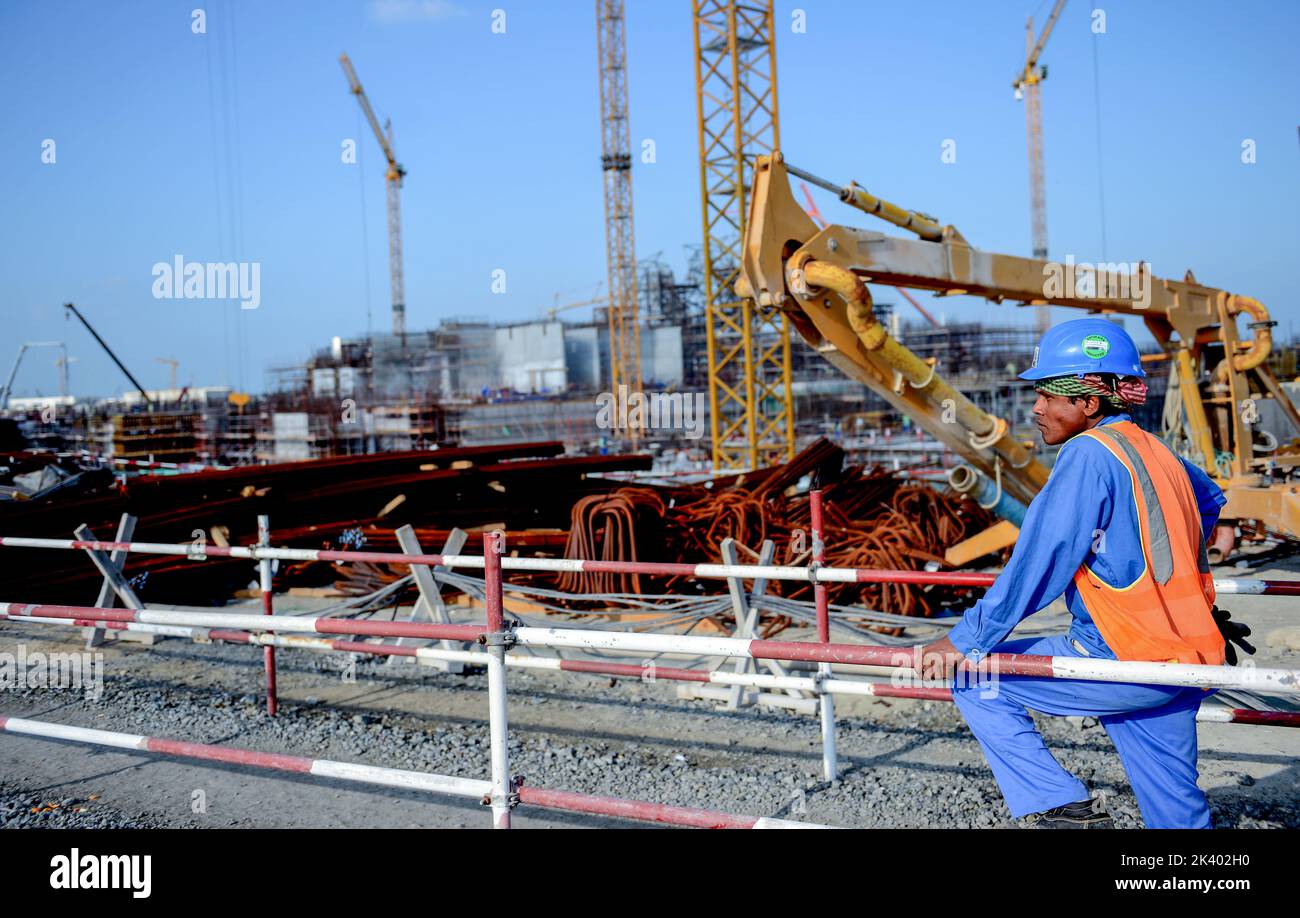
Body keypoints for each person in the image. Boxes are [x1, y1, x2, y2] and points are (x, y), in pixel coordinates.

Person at [916, 317, 1252, 829]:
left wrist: (965, 639)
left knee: (974, 678)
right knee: (1176, 814)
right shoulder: (1156, 449)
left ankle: (1065, 808)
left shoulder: (1087, 454)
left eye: (1048, 395)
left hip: (1116, 653)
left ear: (1089, 402)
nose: (1035, 408)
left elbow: (1040, 562)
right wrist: (1158, 572)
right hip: (1184, 657)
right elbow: (1209, 501)